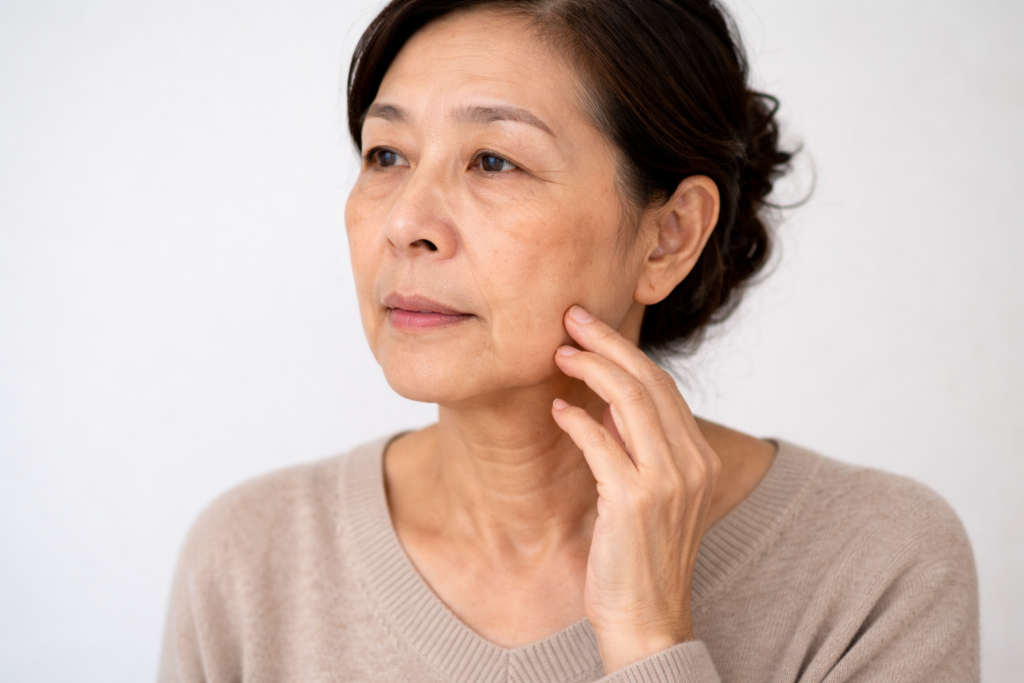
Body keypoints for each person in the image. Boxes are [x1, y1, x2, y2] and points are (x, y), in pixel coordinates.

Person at [158, 1, 979, 681]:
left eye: (493, 160)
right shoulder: (251, 560)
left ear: (668, 236)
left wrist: (649, 638)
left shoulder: (876, 566)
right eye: (386, 154)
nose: (406, 223)